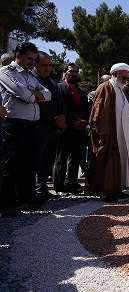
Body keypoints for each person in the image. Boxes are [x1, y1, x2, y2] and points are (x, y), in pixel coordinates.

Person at [0, 42, 51, 216]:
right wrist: (33, 94)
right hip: (14, 125)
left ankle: (26, 198)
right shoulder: (5, 72)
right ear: (18, 55)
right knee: (11, 165)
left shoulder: (30, 75)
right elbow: (22, 94)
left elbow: (47, 93)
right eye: (29, 58)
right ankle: (6, 204)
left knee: (29, 164)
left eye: (34, 59)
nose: (32, 62)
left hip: (32, 125)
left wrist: (34, 94)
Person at [88, 63, 129, 202]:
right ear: (114, 74)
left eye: (127, 78)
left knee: (119, 161)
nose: (125, 81)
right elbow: (98, 112)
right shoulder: (106, 87)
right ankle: (106, 192)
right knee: (108, 162)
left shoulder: (120, 89)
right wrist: (103, 133)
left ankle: (117, 189)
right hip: (108, 133)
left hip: (121, 133)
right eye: (123, 77)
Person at [33, 51, 66, 198]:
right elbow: (38, 104)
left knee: (48, 160)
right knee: (37, 160)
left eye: (50, 65)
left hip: (53, 129)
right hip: (38, 127)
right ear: (35, 64)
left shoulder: (52, 82)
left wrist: (62, 118)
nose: (47, 68)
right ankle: (34, 191)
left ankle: (43, 189)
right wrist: (54, 119)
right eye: (44, 65)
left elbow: (60, 103)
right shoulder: (32, 80)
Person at [53, 63, 89, 194]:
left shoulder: (82, 92)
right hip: (64, 130)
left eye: (76, 72)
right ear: (65, 73)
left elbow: (86, 109)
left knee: (76, 158)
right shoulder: (58, 88)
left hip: (79, 131)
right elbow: (58, 108)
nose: (74, 73)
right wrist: (72, 121)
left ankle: (71, 183)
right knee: (61, 160)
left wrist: (84, 121)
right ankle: (59, 186)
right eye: (71, 71)